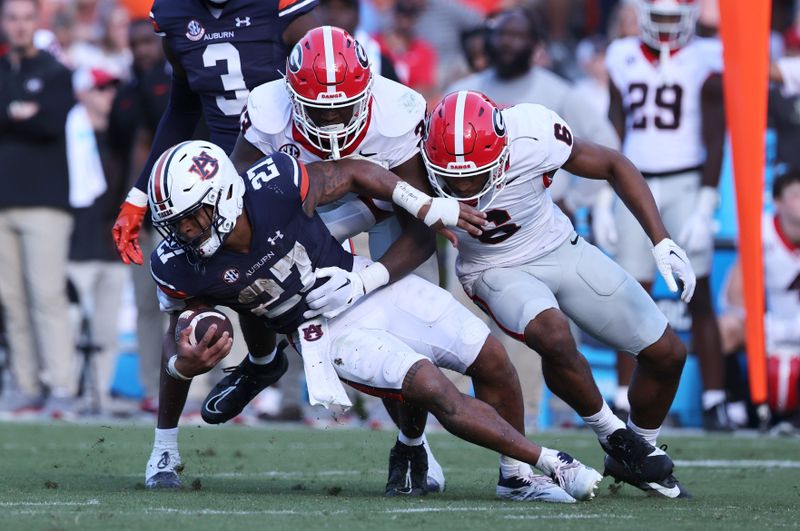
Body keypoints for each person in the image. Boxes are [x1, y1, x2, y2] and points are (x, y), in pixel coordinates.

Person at [143, 139, 603, 503]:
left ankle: (516, 478)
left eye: (190, 218)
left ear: (224, 197)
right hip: (324, 331)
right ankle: (552, 462)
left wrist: (425, 206)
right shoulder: (179, 263)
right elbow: (176, 336)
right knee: (432, 387)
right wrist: (182, 370)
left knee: (492, 358)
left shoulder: (275, 184)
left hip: (360, 282)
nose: (182, 233)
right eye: (174, 223)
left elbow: (354, 172)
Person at [414, 89, 695, 498]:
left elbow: (614, 164)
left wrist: (661, 241)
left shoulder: (534, 134)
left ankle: (638, 449)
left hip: (559, 245)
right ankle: (612, 433)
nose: (464, 186)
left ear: (502, 150)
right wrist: (421, 213)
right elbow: (384, 192)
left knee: (668, 353)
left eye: (474, 174)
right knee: (553, 334)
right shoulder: (415, 153)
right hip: (492, 267)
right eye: (451, 178)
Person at [231, 26, 444, 491]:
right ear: (292, 98)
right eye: (318, 111)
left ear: (368, 93)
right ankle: (263, 361)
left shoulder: (399, 112)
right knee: (256, 270)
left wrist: (370, 280)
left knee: (405, 329)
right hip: (302, 211)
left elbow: (421, 230)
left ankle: (415, 441)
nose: (331, 124)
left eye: (343, 108)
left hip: (384, 209)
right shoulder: (268, 110)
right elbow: (241, 201)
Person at [443, 7, 620, 428]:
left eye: (518, 37)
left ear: (536, 46)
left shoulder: (558, 92)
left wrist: (576, 197)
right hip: (471, 234)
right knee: (453, 323)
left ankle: (525, 419)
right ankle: (443, 409)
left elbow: (607, 145)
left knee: (529, 330)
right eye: (501, 36)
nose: (508, 44)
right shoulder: (465, 91)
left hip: (532, 232)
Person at [595, 0, 732, 430]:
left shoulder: (705, 57)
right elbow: (613, 123)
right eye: (663, 18)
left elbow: (716, 132)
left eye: (677, 19)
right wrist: (603, 192)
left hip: (687, 181)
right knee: (630, 290)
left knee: (701, 290)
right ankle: (621, 395)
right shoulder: (622, 55)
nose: (669, 28)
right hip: (633, 179)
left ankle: (715, 399)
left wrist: (708, 198)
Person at [111, 0, 320, 266]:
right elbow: (181, 111)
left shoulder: (278, 6)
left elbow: (327, 68)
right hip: (226, 179)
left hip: (295, 164)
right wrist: (138, 197)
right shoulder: (174, 12)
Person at [0, 0, 77, 418]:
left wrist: (15, 119)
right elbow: (28, 121)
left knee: (47, 295)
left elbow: (51, 122)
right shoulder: (3, 72)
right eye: (11, 17)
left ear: (37, 22)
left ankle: (61, 386)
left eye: (26, 18)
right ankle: (25, 385)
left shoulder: (56, 73)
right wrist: (20, 116)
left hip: (45, 202)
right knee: (11, 299)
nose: (19, 25)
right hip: (3, 202)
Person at [717, 170, 800, 428]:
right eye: (797, 195)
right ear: (777, 202)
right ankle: (735, 406)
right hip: (767, 325)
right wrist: (763, 326)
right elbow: (734, 295)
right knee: (726, 328)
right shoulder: (760, 230)